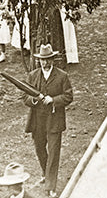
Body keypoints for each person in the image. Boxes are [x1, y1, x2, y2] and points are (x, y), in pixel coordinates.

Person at [25, 44, 75, 196]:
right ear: (39, 61)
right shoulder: (32, 76)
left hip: (54, 120)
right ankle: (46, 174)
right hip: (37, 120)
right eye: (42, 60)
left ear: (53, 60)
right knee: (40, 149)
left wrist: (52, 100)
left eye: (48, 60)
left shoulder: (62, 76)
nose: (45, 63)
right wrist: (36, 100)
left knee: (53, 152)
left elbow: (68, 96)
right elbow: (24, 96)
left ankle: (50, 186)